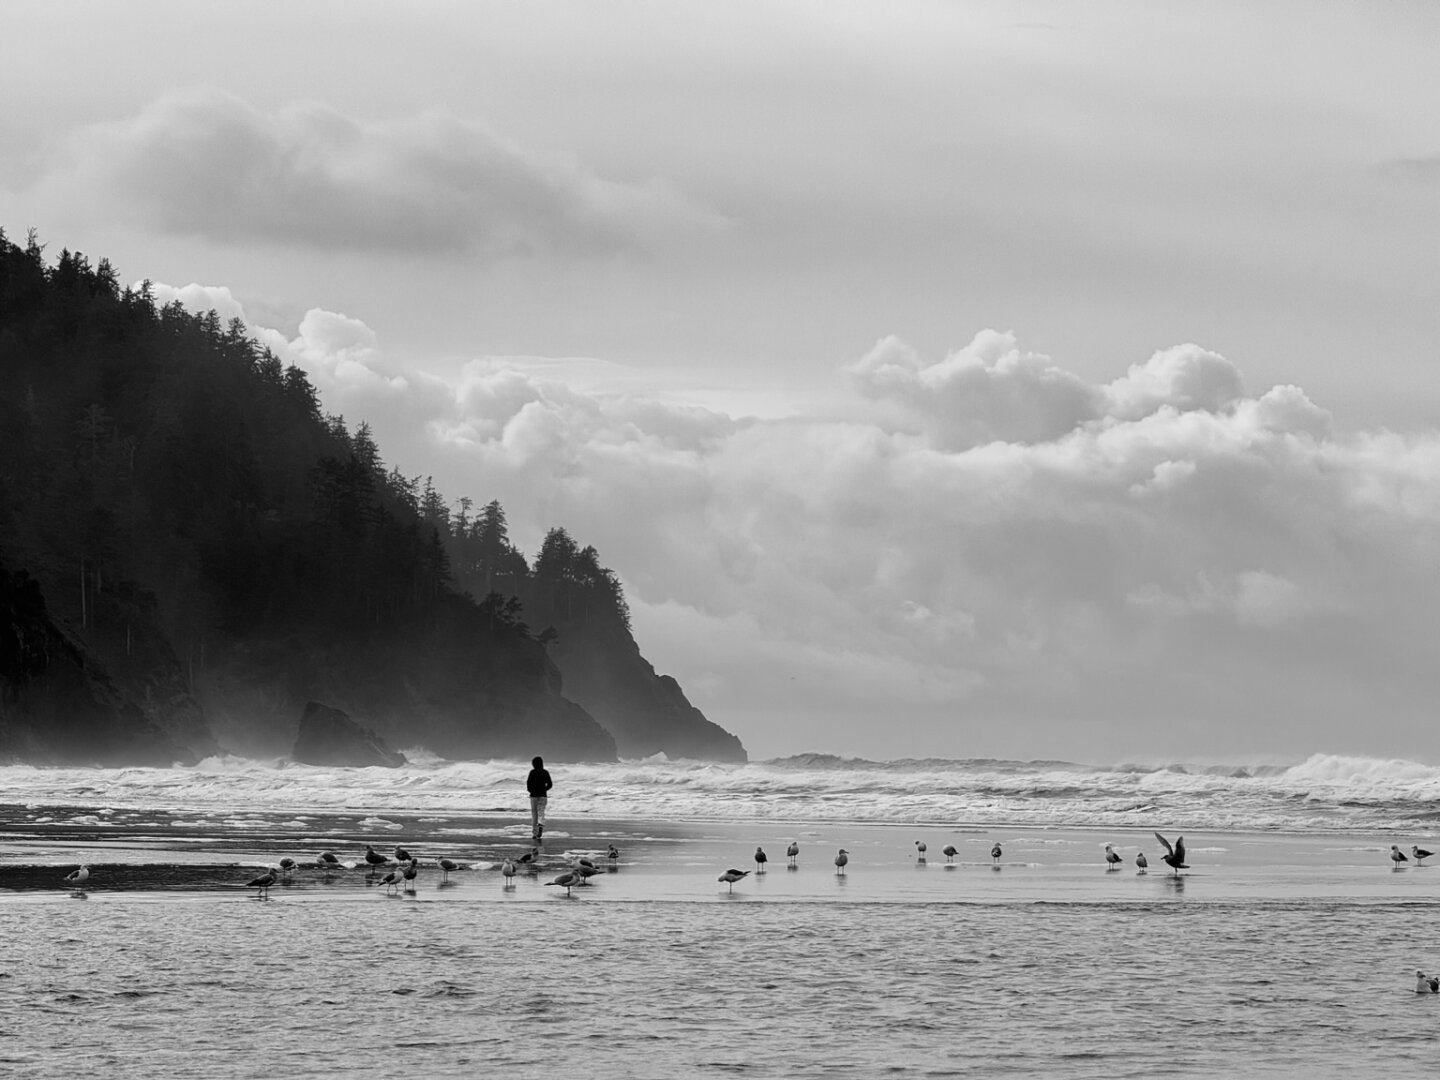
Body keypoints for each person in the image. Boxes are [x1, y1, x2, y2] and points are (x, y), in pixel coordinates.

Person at [527, 756, 553, 840]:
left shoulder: (532, 772)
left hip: (534, 796)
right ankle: (540, 826)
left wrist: (531, 791)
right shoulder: (545, 772)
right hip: (543, 795)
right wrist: (544, 789)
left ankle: (535, 833)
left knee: (534, 815)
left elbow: (528, 784)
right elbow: (550, 784)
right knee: (541, 812)